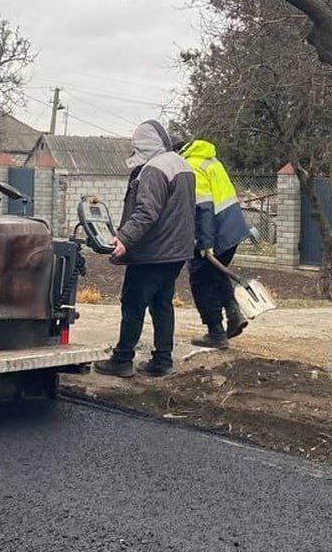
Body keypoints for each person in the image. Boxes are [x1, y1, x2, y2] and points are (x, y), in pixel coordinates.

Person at [95, 120, 196, 378]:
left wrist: (125, 239)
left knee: (133, 302)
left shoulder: (153, 169)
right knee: (162, 303)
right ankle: (162, 360)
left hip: (153, 251)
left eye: (136, 144)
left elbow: (146, 212)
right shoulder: (181, 164)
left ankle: (122, 359)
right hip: (176, 251)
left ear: (146, 144)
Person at [180, 138, 252, 349]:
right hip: (233, 229)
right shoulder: (211, 161)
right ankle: (234, 314)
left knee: (200, 280)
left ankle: (215, 333)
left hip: (214, 232)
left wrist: (205, 242)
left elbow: (203, 206)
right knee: (216, 273)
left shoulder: (191, 166)